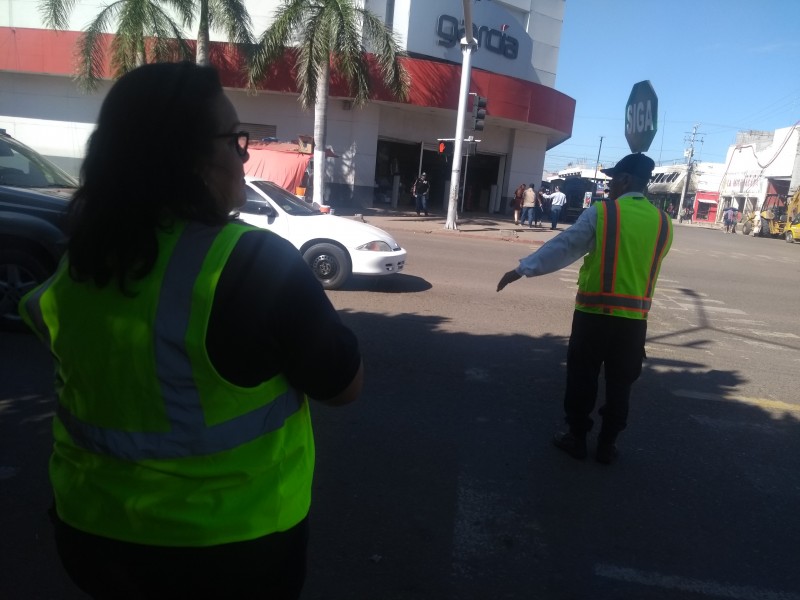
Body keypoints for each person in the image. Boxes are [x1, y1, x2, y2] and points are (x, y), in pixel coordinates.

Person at [18, 62, 363, 599]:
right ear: (192, 161)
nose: (244, 156)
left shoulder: (82, 259)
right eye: (235, 140)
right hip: (226, 550)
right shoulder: (252, 262)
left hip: (92, 534)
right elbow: (344, 385)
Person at [496, 153, 672, 465]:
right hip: (634, 323)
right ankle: (607, 445)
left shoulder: (605, 213)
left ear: (626, 180)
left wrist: (522, 269)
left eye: (613, 179)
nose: (610, 184)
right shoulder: (664, 222)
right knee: (621, 386)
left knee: (583, 378)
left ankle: (576, 438)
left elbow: (565, 246)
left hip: (594, 317)